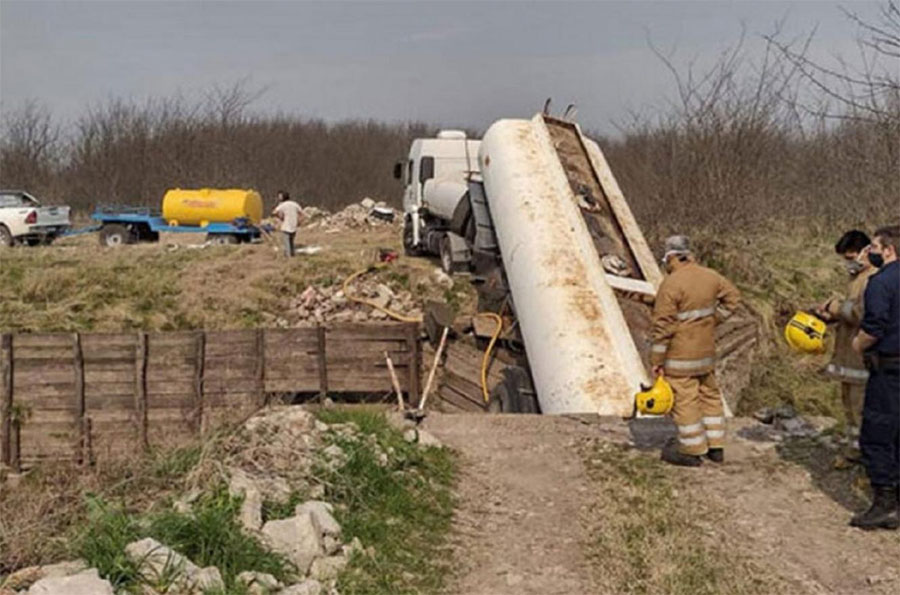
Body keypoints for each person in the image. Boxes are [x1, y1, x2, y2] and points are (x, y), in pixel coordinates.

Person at [650, 235, 742, 467]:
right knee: (710, 396)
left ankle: (691, 451)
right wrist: (713, 321)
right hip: (706, 353)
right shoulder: (711, 276)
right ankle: (716, 447)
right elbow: (734, 299)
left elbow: (663, 327)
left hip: (680, 356)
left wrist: (657, 359)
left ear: (671, 258)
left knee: (685, 401)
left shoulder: (671, 284)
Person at [850, 225, 900, 531]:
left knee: (878, 433)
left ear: (889, 250)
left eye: (874, 248)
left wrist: (858, 344)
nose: (870, 253)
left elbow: (874, 327)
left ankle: (884, 504)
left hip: (890, 368)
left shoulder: (880, 282)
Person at [814, 230, 877, 455]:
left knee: (861, 408)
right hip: (848, 355)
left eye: (851, 257)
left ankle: (866, 453)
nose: (848, 263)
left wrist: (836, 308)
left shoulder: (873, 279)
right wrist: (831, 315)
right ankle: (854, 449)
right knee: (849, 406)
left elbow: (865, 314)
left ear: (866, 251)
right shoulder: (856, 279)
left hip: (862, 357)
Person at [272, 191, 303, 258]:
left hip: (286, 225)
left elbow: (274, 212)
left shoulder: (283, 205)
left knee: (286, 242)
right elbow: (301, 213)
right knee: (291, 241)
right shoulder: (295, 204)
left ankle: (288, 257)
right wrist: (299, 221)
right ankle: (292, 254)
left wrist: (280, 217)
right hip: (294, 225)